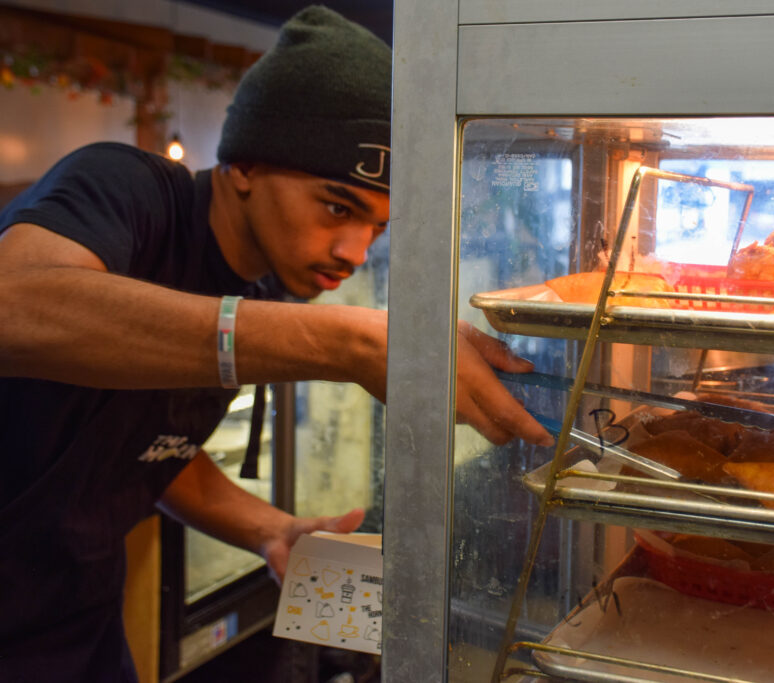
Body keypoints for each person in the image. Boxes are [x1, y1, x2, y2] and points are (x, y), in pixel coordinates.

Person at [0, 5, 552, 681]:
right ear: (244, 165)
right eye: (336, 205)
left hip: (76, 627)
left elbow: (149, 446)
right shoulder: (126, 190)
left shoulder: (264, 288)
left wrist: (271, 529)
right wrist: (343, 339)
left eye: (377, 226)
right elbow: (14, 308)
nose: (354, 251)